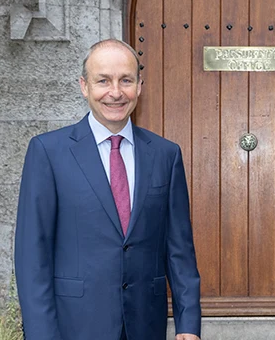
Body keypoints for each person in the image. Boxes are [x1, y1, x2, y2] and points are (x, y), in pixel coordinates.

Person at [15, 39, 201, 340]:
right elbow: (32, 257)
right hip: (73, 327)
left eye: (125, 80)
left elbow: (179, 249)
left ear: (139, 86)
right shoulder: (48, 152)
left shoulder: (166, 155)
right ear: (84, 86)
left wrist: (189, 325)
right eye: (103, 81)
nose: (115, 92)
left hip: (145, 326)